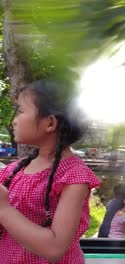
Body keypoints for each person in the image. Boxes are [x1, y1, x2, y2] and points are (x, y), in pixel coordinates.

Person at [0, 80, 100, 263]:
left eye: (21, 111)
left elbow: (55, 248)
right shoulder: (12, 171)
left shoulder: (74, 177)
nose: (13, 120)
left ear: (50, 123)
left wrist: (3, 208)